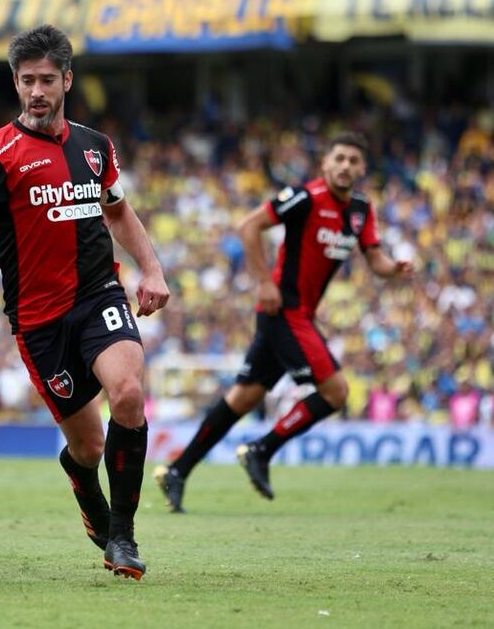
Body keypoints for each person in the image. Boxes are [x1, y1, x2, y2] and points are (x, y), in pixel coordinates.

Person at [0, 25, 169, 579]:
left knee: (129, 394)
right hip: (39, 321)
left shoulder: (95, 146)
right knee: (87, 446)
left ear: (66, 79)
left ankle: (124, 538)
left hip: (98, 295)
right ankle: (84, 483)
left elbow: (117, 210)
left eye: (46, 80)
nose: (37, 91)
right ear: (15, 83)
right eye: (26, 81)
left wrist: (151, 269)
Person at [153, 132, 414, 512]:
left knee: (242, 399)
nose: (345, 166)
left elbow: (375, 260)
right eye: (338, 157)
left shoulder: (361, 210)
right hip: (283, 311)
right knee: (336, 392)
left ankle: (177, 471)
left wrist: (395, 269)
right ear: (325, 163)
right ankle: (262, 449)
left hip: (299, 315)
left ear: (362, 168)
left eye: (353, 160)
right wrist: (263, 282)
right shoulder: (304, 197)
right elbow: (249, 226)